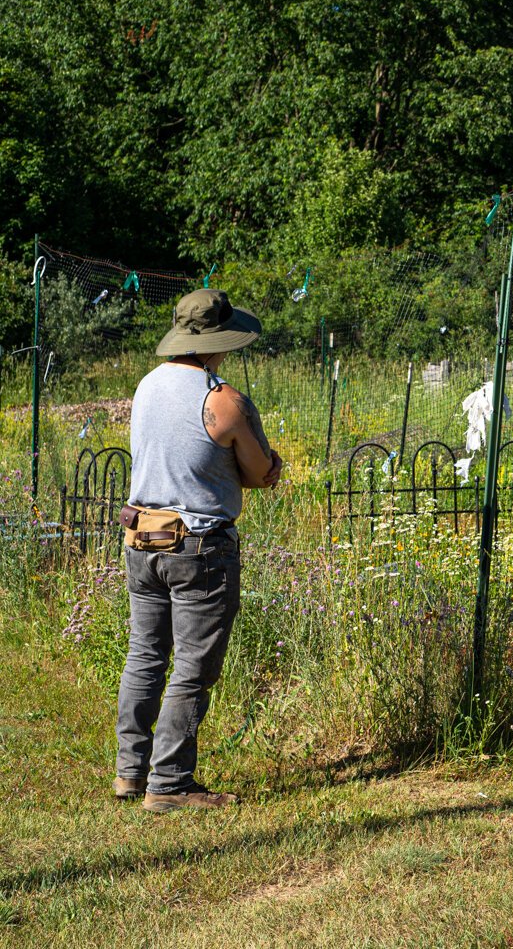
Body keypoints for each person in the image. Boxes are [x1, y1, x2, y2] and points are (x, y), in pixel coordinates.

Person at [114, 289, 282, 813]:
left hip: (142, 538)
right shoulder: (222, 399)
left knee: (145, 655)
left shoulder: (146, 386)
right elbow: (260, 473)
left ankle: (130, 773)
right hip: (199, 547)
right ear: (218, 342)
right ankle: (170, 783)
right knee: (192, 665)